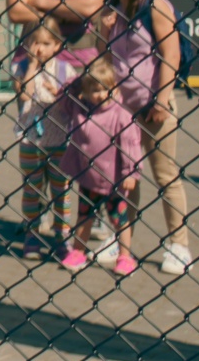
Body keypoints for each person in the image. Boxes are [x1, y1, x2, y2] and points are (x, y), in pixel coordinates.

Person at [93, 0, 192, 275]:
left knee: (165, 176)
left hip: (153, 107)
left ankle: (179, 245)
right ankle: (121, 241)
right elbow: (102, 59)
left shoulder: (155, 6)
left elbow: (171, 55)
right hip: (123, 111)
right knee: (123, 179)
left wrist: (162, 99)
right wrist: (104, 29)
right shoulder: (110, 10)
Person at [59, 57, 144, 275]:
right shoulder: (81, 109)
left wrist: (131, 172)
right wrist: (78, 81)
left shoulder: (121, 115)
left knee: (119, 219)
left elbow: (131, 146)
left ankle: (125, 256)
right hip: (89, 177)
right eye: (94, 90)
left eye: (106, 89)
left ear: (115, 88)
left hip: (114, 180)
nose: (100, 94)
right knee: (84, 216)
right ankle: (78, 251)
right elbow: (63, 99)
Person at [9, 19, 77, 261]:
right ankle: (32, 235)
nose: (40, 48)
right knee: (32, 191)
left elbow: (73, 105)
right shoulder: (21, 67)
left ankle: (62, 236)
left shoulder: (66, 71)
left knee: (61, 192)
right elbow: (24, 93)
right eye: (35, 42)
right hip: (31, 140)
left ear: (57, 45)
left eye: (46, 43)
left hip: (59, 140)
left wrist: (60, 94)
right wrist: (32, 66)